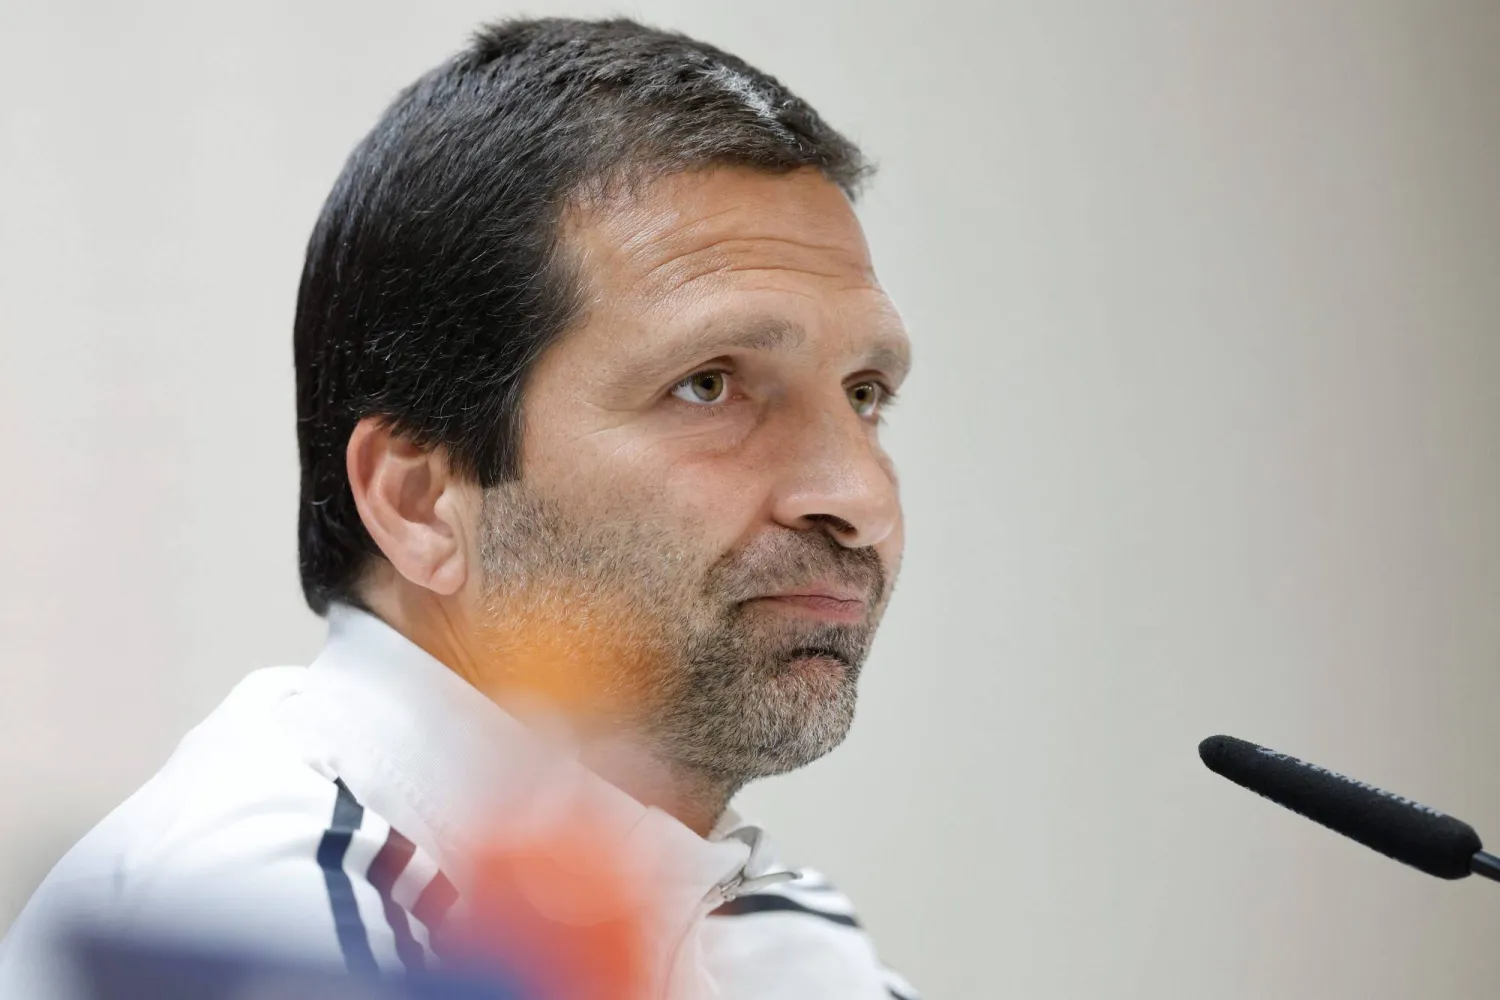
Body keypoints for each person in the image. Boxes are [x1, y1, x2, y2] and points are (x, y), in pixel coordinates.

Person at [0, 16, 918, 1000]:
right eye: (709, 384)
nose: (858, 495)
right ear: (422, 500)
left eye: (865, 393)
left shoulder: (787, 945)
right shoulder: (259, 918)